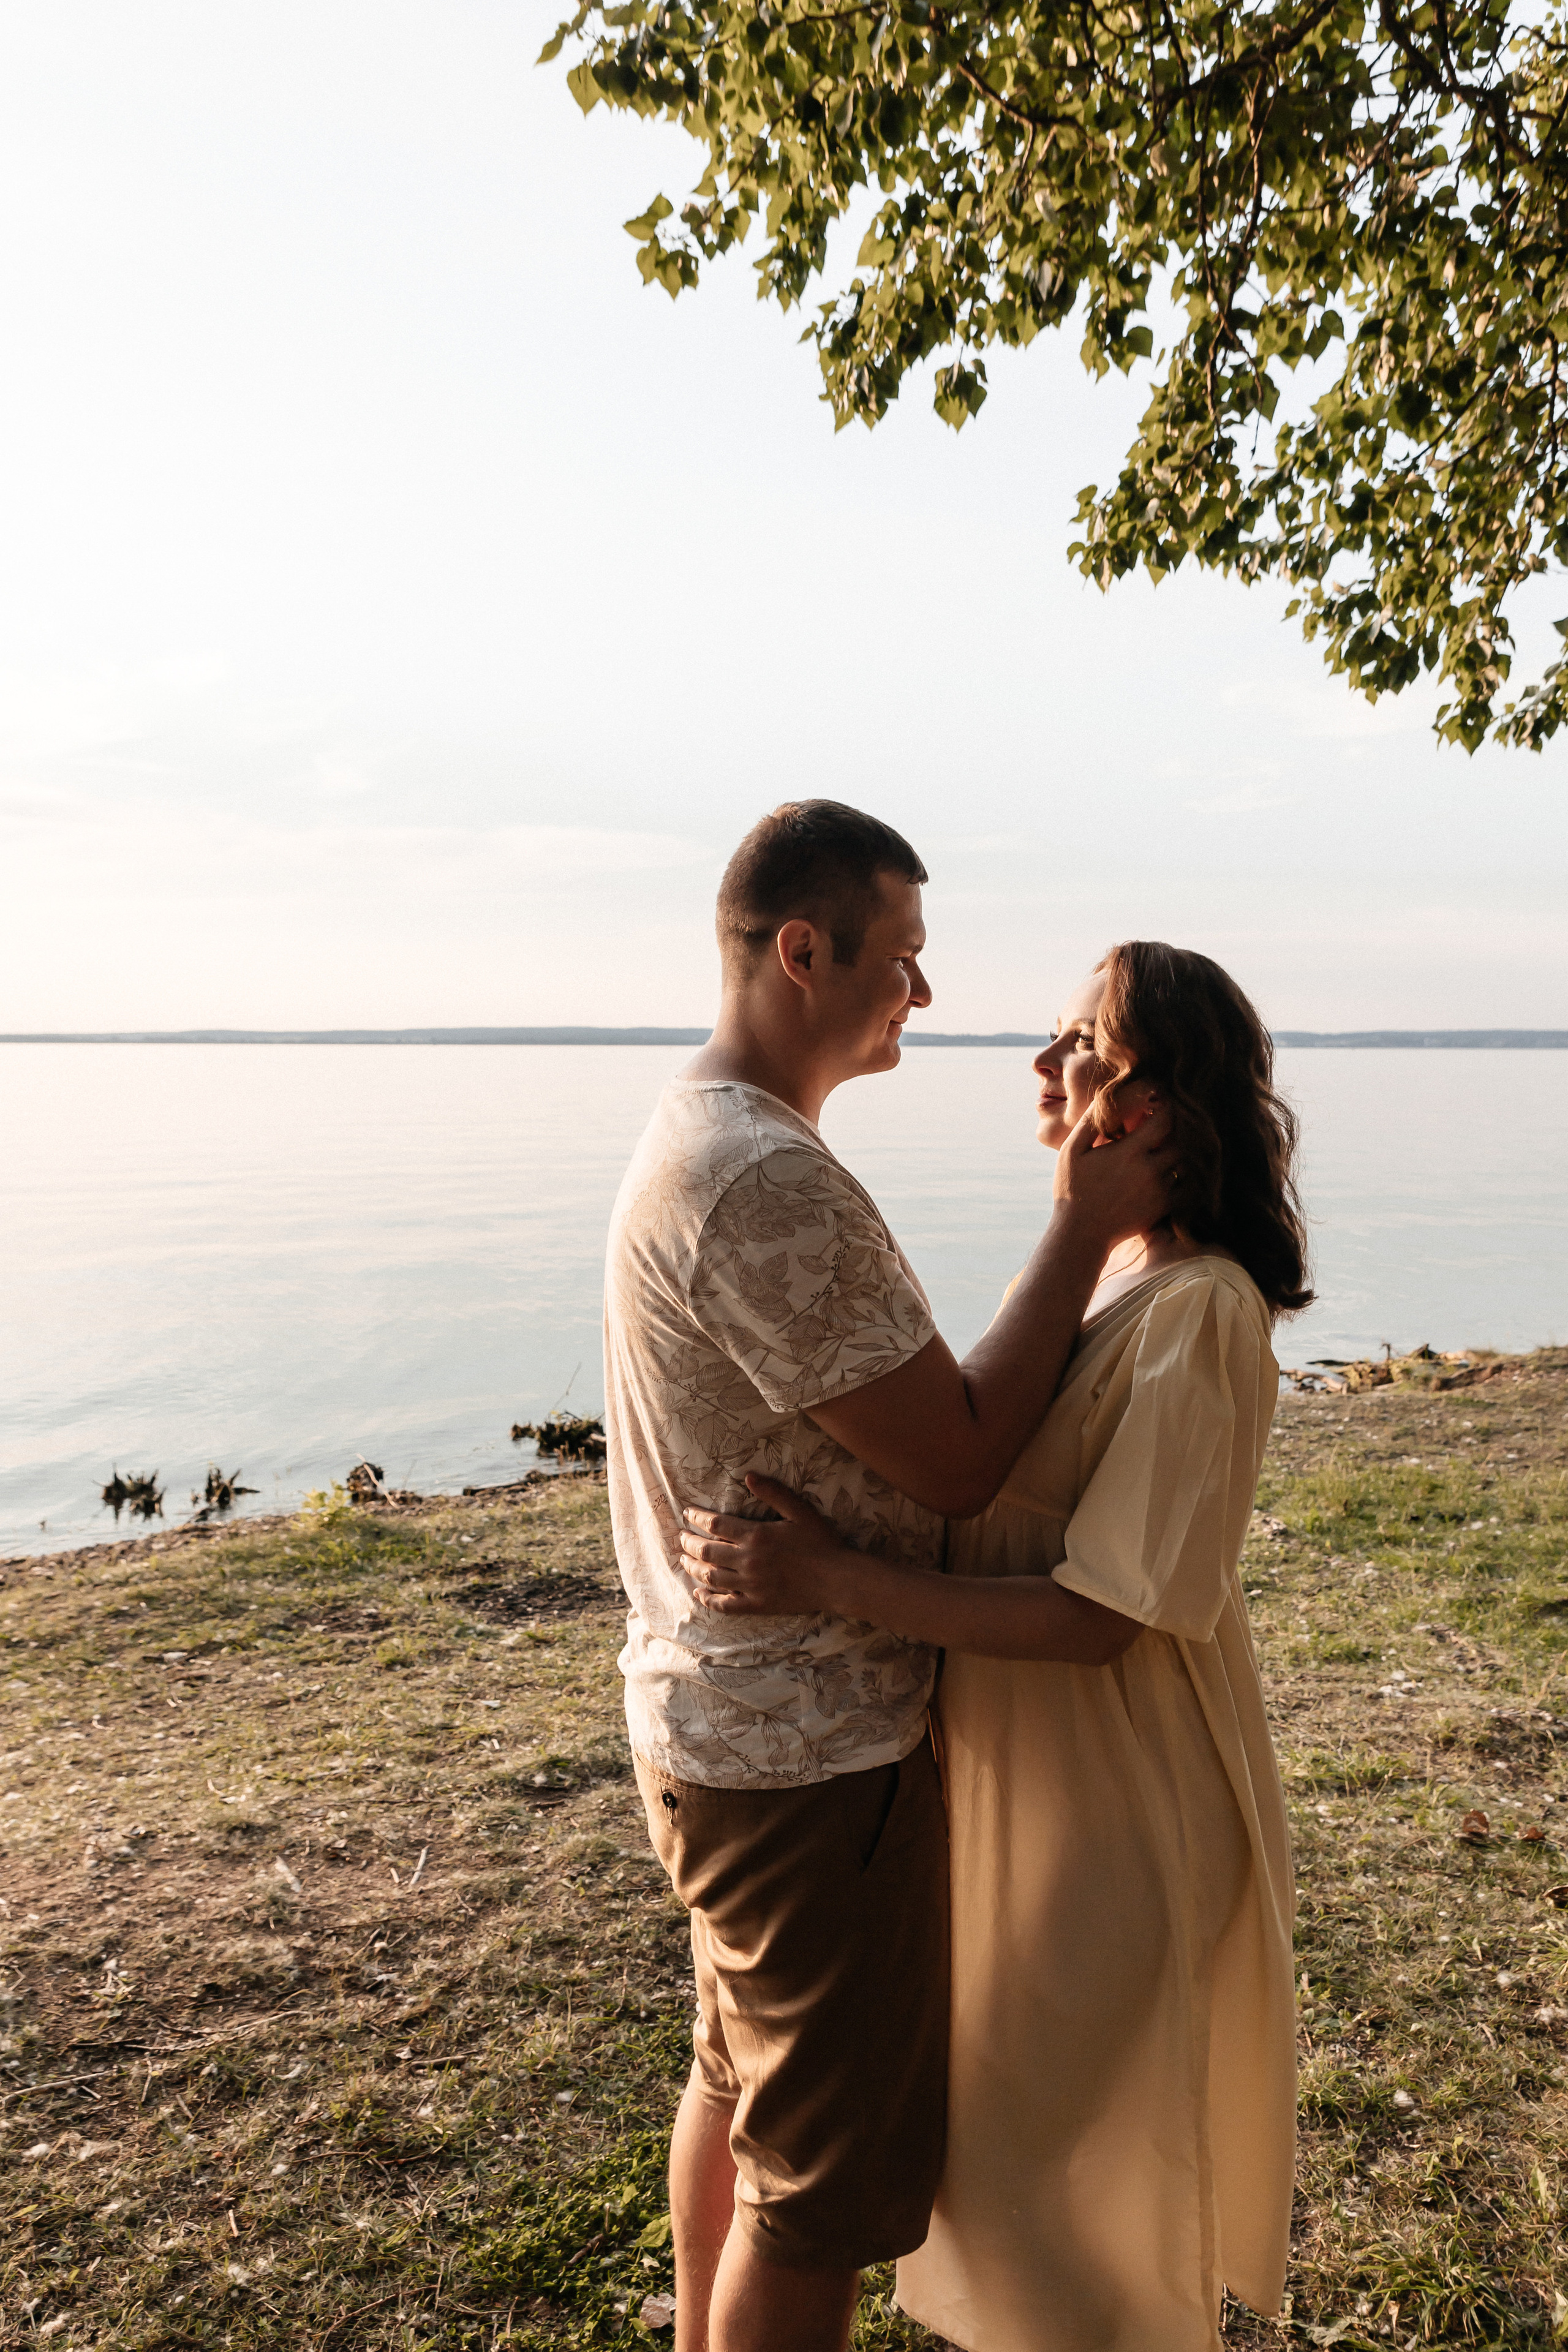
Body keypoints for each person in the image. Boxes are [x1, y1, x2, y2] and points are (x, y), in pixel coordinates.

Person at [680, 939, 1308, 2352]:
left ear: (1142, 1107)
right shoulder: (1112, 1284)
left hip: (1116, 1800)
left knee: (1059, 2192)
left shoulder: (1200, 1312)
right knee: (1015, 2173)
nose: (1042, 1064)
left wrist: (831, 1575)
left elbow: (1097, 1616)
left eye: (1078, 1043)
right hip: (1031, 1782)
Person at [602, 807, 1175, 2352]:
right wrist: (1083, 1219)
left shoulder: (708, 1138)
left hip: (721, 1726)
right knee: (823, 2195)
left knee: (737, 2092)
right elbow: (960, 1455)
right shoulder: (762, 1184)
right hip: (805, 1755)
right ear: (805, 950)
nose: (919, 996)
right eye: (902, 959)